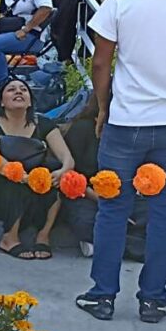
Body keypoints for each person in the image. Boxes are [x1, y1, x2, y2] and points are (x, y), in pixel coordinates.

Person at [76, 0, 166, 324]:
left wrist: (103, 107)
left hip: (126, 122)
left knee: (113, 209)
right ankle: (154, 299)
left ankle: (103, 295)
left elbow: (100, 62)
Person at [0, 77, 74, 260]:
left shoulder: (44, 124)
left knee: (57, 183)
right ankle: (9, 238)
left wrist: (63, 172)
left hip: (35, 189)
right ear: (1, 102)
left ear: (30, 101)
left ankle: (43, 235)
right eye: (11, 89)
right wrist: (25, 178)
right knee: (16, 184)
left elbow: (67, 157)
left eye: (23, 89)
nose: (18, 92)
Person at [61, 94, 148, 259]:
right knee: (87, 221)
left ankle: (104, 246)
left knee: (157, 215)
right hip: (86, 194)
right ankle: (140, 248)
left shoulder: (132, 131)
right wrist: (101, 200)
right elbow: (70, 175)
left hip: (123, 195)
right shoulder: (83, 128)